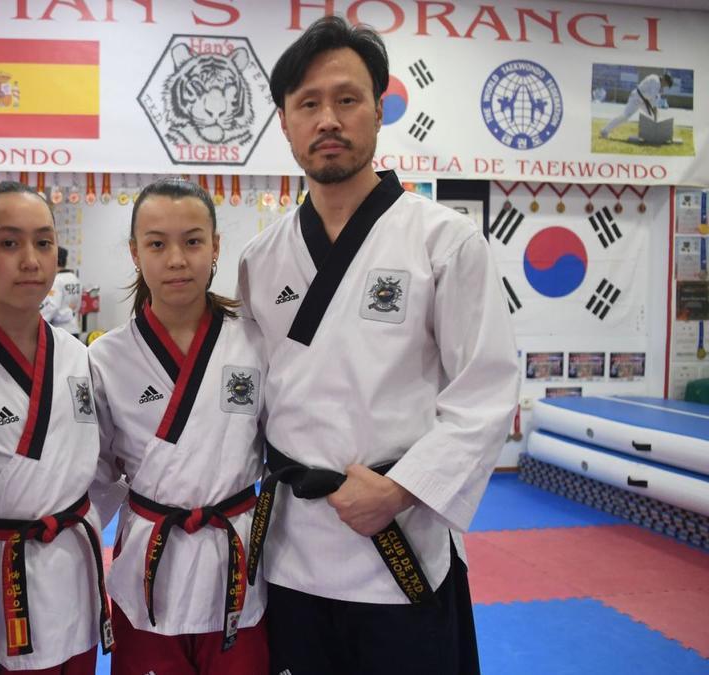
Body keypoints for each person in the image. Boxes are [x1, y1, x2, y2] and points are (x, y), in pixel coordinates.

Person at [236, 16, 519, 675]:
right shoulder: (261, 258)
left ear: (380, 108)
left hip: (402, 543)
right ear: (285, 121)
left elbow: (484, 391)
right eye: (308, 103)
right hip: (293, 550)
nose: (327, 119)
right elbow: (252, 398)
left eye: (346, 98)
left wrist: (399, 489)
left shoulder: (443, 241)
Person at [90, 178, 268, 675]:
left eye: (192, 241)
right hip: (151, 561)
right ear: (134, 252)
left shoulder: (254, 342)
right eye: (156, 243)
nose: (176, 259)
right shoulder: (106, 357)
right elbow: (96, 476)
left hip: (236, 561)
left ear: (215, 246)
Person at [0, 181, 112, 674]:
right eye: (8, 242)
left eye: (43, 243)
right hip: (2, 577)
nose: (31, 260)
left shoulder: (77, 355)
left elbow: (98, 463)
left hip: (74, 568)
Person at [600, 72, 673, 139]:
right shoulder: (656, 82)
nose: (665, 86)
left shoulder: (656, 79)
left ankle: (649, 135)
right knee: (625, 117)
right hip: (636, 98)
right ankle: (604, 131)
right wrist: (655, 115)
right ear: (664, 79)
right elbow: (653, 102)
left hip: (644, 101)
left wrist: (655, 116)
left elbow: (652, 99)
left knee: (654, 116)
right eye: (666, 84)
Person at [40, 246, 82, 336]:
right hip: (74, 327)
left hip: (60, 330)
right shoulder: (75, 279)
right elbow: (78, 305)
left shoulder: (57, 280)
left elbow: (53, 306)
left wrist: (39, 322)